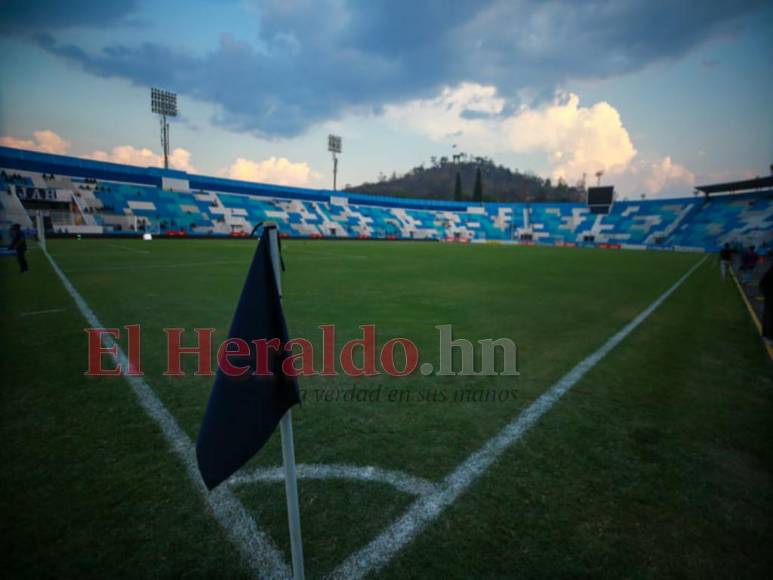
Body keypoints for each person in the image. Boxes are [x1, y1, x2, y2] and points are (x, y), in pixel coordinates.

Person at [761, 264, 773, 345]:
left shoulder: (770, 271)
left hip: (769, 297)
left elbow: (762, 284)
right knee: (769, 318)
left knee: (768, 317)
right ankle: (768, 337)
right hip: (770, 298)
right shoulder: (770, 272)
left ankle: (766, 335)